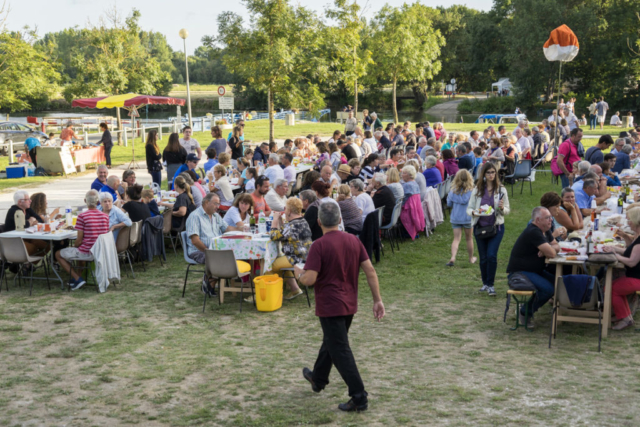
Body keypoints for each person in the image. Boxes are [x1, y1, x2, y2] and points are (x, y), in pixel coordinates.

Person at [294, 202, 384, 413]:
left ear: (319, 222)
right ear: (340, 219)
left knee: (340, 349)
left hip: (330, 305)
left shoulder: (319, 245)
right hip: (348, 303)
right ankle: (318, 379)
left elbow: (309, 279)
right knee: (333, 342)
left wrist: (298, 272)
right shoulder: (353, 240)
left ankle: (359, 396)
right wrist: (377, 299)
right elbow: (370, 271)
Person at [505, 207, 559, 328]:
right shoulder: (534, 231)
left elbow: (556, 247)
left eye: (551, 217)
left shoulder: (545, 230)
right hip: (520, 272)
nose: (551, 220)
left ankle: (561, 311)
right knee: (548, 289)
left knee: (559, 282)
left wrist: (548, 248)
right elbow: (552, 253)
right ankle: (524, 312)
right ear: (538, 220)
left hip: (535, 270)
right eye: (547, 218)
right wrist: (548, 250)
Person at [467, 162, 510, 297]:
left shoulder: (501, 190)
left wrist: (502, 208)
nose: (491, 175)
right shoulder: (478, 190)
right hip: (480, 227)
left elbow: (507, 210)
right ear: (483, 174)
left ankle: (491, 285)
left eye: (493, 172)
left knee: (491, 255)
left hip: (496, 227)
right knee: (483, 257)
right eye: (488, 172)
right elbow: (469, 209)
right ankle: (485, 283)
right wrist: (475, 213)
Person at [186, 193, 242, 297]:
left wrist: (241, 229)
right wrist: (208, 251)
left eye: (219, 204)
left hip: (215, 249)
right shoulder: (195, 216)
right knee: (219, 259)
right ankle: (209, 284)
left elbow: (226, 228)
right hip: (198, 250)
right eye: (216, 204)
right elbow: (195, 241)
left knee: (235, 254)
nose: (218, 207)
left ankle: (224, 282)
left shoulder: (215, 215)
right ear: (207, 203)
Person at [55, 190, 109, 290]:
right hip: (100, 251)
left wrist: (74, 246)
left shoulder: (82, 216)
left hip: (87, 252)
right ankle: (79, 277)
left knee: (58, 254)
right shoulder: (105, 216)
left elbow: (79, 240)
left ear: (85, 201)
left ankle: (77, 278)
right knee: (80, 250)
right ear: (98, 202)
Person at [602, 207, 640, 329]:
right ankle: (624, 316)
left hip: (637, 278)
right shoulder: (637, 236)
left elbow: (631, 262)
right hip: (634, 276)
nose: (628, 223)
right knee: (612, 286)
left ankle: (624, 318)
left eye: (629, 220)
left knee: (612, 288)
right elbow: (630, 252)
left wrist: (615, 255)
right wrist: (614, 249)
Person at [268, 198, 313, 299]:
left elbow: (273, 235)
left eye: (286, 209)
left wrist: (275, 219)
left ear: (289, 211)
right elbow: (285, 233)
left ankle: (265, 292)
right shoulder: (302, 221)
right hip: (305, 256)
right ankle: (295, 289)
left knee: (269, 265)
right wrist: (280, 221)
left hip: (294, 258)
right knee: (280, 264)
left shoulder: (291, 225)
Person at [446, 170, 476, 267]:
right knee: (469, 238)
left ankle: (453, 257)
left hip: (456, 217)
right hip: (468, 217)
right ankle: (471, 258)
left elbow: (449, 204)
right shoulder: (472, 191)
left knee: (456, 239)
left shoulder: (452, 191)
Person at [3, 190, 48, 255]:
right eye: (27, 200)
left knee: (47, 245)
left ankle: (36, 263)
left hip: (26, 237)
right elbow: (23, 225)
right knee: (33, 248)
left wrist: (31, 221)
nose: (30, 201)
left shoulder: (28, 209)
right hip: (14, 241)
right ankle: (31, 263)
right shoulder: (14, 211)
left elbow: (40, 219)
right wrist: (31, 221)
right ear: (19, 202)